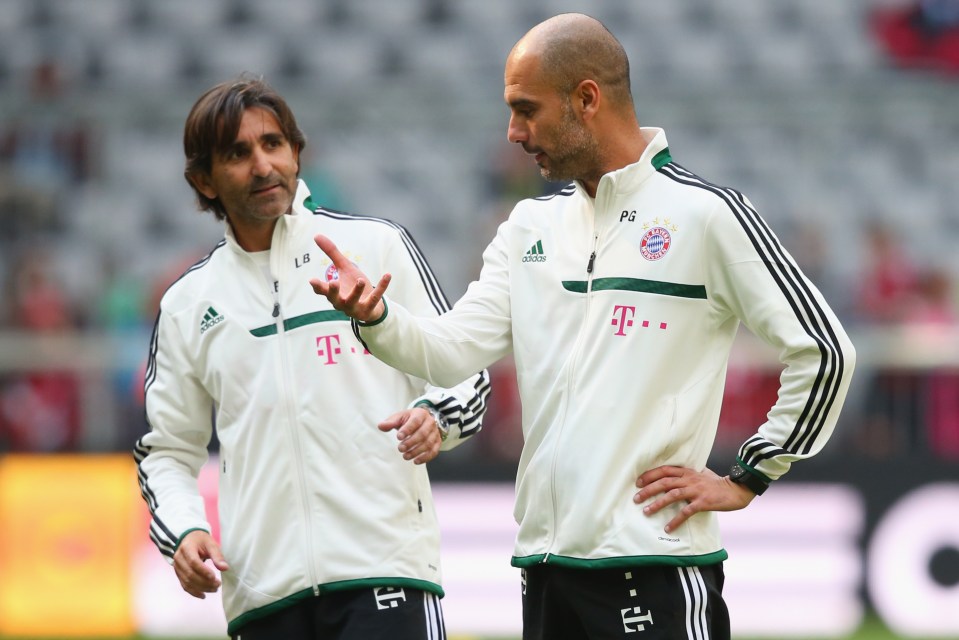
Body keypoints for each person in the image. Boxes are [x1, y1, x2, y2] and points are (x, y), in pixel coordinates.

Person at [309, 13, 856, 640]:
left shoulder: (707, 216)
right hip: (545, 570)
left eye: (525, 109)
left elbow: (826, 351)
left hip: (652, 566)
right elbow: (451, 352)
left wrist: (750, 475)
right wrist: (375, 317)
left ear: (587, 99)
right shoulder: (527, 229)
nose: (513, 132)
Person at [133, 74, 490, 640]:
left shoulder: (375, 246)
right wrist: (183, 530)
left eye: (273, 144)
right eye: (237, 153)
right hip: (262, 593)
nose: (262, 166)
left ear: (296, 152)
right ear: (204, 180)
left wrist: (436, 417)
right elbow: (168, 453)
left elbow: (464, 371)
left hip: (384, 568)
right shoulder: (186, 304)